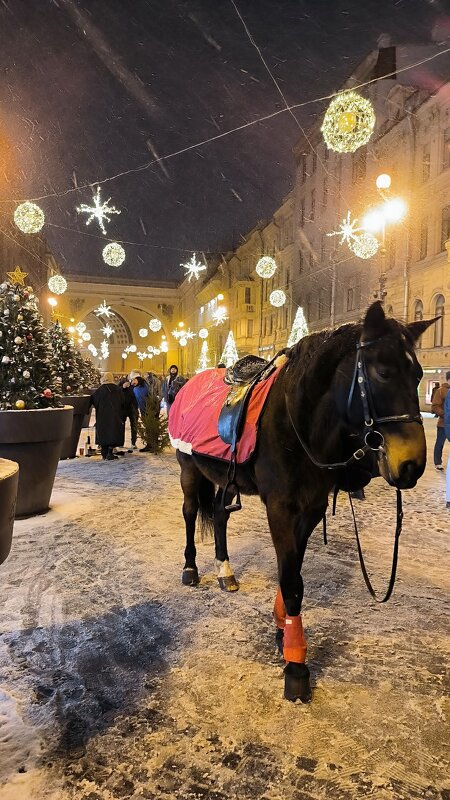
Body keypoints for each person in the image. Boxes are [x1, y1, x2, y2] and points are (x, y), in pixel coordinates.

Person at [91, 373, 125, 460]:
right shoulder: (117, 389)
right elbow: (123, 401)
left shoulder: (100, 390)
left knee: (103, 432)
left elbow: (94, 401)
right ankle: (110, 452)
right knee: (113, 432)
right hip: (115, 415)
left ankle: (104, 453)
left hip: (102, 415)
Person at [431, 371, 450, 471]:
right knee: (440, 443)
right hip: (443, 424)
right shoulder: (441, 391)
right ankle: (438, 462)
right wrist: (446, 415)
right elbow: (435, 406)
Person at [118, 377, 138, 449]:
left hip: (132, 408)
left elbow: (135, 395)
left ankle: (133, 443)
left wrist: (131, 387)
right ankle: (121, 442)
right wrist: (122, 387)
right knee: (121, 426)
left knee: (134, 426)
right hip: (122, 409)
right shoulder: (120, 386)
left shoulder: (133, 386)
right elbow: (116, 392)